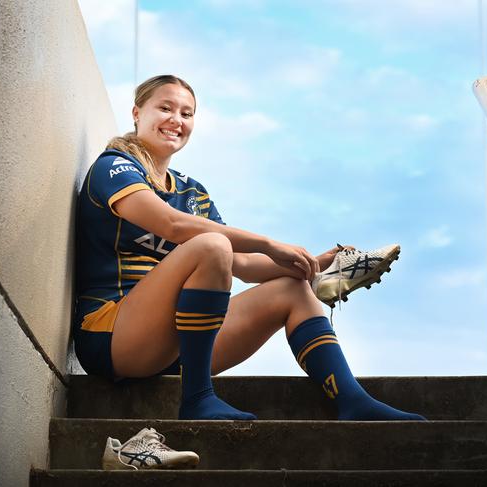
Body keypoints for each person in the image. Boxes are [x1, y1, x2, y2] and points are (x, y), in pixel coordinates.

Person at [74, 74, 425, 422]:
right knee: (211, 245)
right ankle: (197, 399)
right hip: (113, 337)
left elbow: (239, 263)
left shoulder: (192, 191)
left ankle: (353, 403)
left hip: (173, 343)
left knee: (293, 288)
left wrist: (312, 264)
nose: (176, 120)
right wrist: (269, 244)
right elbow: (173, 225)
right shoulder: (114, 166)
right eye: (165, 108)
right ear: (137, 113)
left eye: (186, 113)